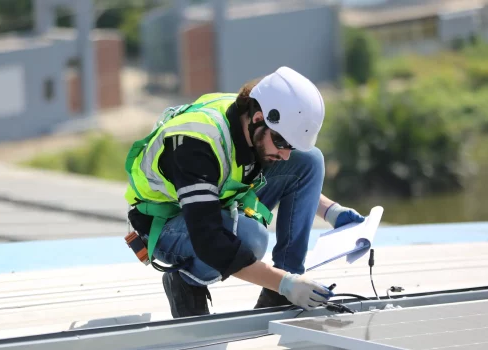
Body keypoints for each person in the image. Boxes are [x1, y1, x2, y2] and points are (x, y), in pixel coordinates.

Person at [124, 66, 365, 318]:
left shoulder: (251, 123)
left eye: (291, 145)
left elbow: (290, 171)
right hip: (166, 223)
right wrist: (285, 283)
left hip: (212, 202)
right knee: (251, 238)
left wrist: (332, 213)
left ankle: (280, 293)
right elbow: (209, 241)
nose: (285, 154)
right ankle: (187, 280)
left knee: (309, 160)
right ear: (259, 118)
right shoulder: (196, 145)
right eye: (282, 142)